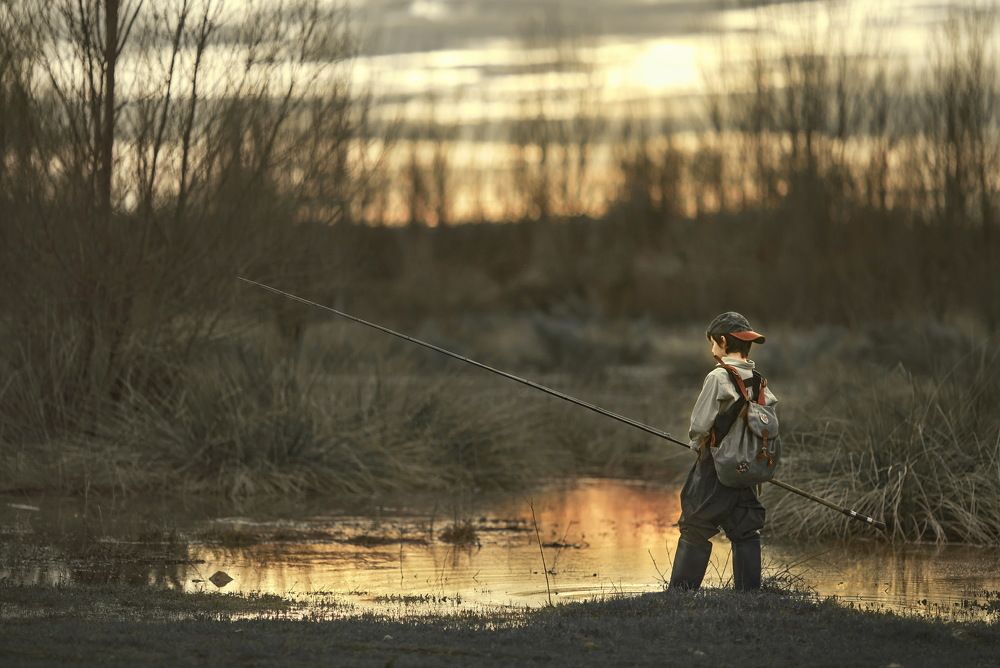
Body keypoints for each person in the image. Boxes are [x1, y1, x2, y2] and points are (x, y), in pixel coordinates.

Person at [668, 312, 777, 592]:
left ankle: (679, 596)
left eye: (712, 342)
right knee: (745, 529)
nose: (711, 349)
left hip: (716, 466)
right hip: (748, 469)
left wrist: (696, 445)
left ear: (722, 341)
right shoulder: (760, 381)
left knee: (695, 523)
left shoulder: (718, 376)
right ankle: (749, 596)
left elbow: (699, 425)